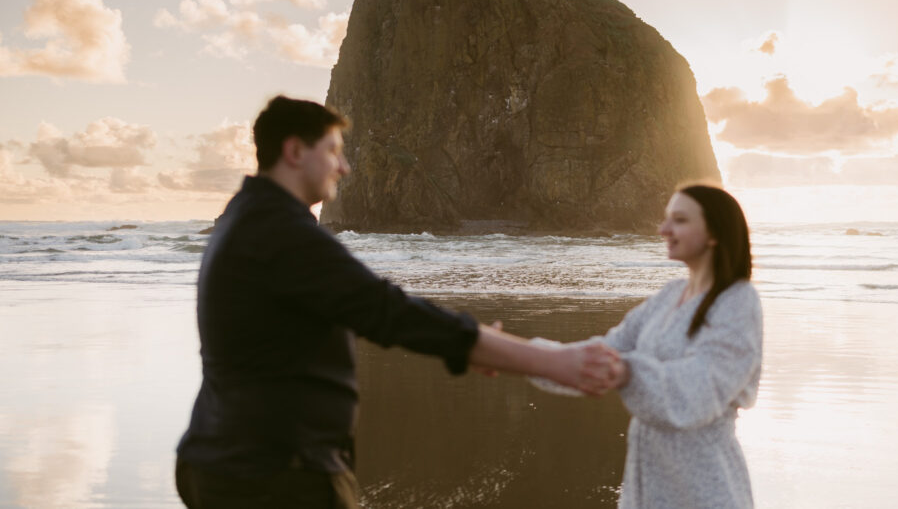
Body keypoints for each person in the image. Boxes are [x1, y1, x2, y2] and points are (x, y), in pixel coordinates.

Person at [174, 95, 620, 509]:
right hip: (275, 472)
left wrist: (479, 344)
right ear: (294, 152)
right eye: (332, 151)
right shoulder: (283, 234)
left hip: (227, 455)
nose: (344, 167)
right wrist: (551, 361)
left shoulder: (245, 215)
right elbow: (388, 312)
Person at [537, 183, 762, 508]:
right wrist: (514, 353)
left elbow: (693, 394)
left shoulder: (739, 302)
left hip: (709, 494)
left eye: (680, 220)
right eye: (666, 218)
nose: (663, 229)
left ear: (715, 232)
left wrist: (626, 371)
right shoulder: (669, 296)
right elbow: (601, 350)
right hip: (647, 491)